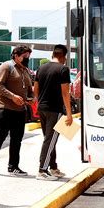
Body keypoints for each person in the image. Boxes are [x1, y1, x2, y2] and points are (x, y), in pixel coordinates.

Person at [0, 45, 34, 176]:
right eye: (25, 57)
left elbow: (28, 89)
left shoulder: (25, 70)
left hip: (20, 109)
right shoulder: (6, 67)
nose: (27, 59)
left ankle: (13, 166)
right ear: (16, 56)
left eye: (28, 57)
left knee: (17, 139)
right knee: (0, 137)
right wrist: (13, 97)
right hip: (5, 109)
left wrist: (31, 98)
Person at [34, 44, 73, 181]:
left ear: (53, 55)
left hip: (42, 108)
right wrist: (69, 114)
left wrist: (38, 103)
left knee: (49, 139)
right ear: (64, 57)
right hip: (55, 109)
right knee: (50, 140)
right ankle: (42, 171)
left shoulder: (41, 68)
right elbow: (65, 93)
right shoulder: (63, 69)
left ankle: (53, 167)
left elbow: (36, 89)